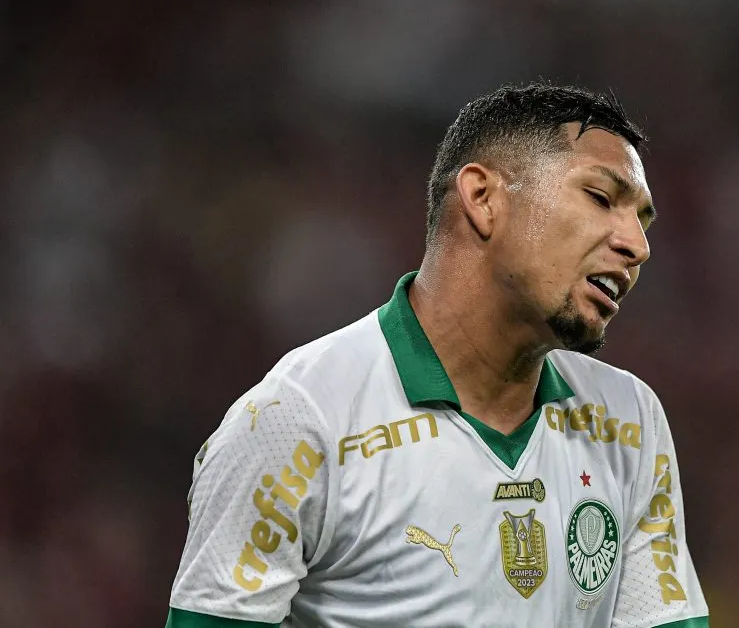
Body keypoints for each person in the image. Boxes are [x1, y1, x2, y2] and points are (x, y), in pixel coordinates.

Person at [166, 83, 710, 628]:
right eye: (601, 198)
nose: (638, 246)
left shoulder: (628, 420)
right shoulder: (298, 421)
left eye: (642, 221)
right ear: (483, 198)